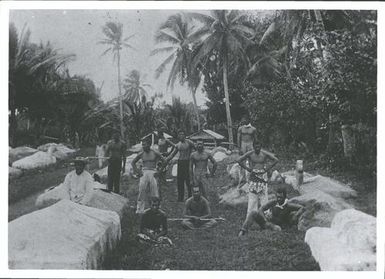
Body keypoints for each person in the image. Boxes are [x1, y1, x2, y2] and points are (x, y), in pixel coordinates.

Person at [238, 187, 304, 236]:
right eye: (277, 197)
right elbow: (261, 208)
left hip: (276, 226)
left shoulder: (288, 205)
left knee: (278, 229)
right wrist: (264, 218)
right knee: (253, 212)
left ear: (285, 197)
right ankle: (243, 230)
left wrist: (296, 215)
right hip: (266, 222)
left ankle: (266, 233)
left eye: (280, 197)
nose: (278, 199)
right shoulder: (274, 202)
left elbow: (302, 208)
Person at [237, 139, 279, 215]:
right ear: (253, 147)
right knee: (253, 198)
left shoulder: (264, 154)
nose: (257, 148)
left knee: (264, 196)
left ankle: (266, 215)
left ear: (260, 147)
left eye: (258, 147)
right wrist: (248, 169)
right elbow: (239, 160)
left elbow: (276, 160)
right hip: (253, 176)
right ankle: (251, 216)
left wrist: (266, 169)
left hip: (262, 176)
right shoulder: (250, 154)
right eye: (255, 146)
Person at [132, 138, 166, 214]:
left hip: (153, 171)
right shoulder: (141, 153)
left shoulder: (155, 152)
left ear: (149, 145)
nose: (143, 146)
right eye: (142, 145)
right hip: (144, 172)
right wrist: (138, 171)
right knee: (141, 189)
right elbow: (133, 162)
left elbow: (164, 161)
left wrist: (159, 171)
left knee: (154, 191)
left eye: (145, 144)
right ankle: (140, 209)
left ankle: (156, 207)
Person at [167, 130, 195, 201]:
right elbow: (172, 154)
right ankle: (180, 198)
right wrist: (166, 160)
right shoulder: (178, 145)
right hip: (180, 162)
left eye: (183, 134)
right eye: (180, 134)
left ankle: (190, 196)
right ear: (178, 136)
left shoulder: (189, 142)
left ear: (185, 136)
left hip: (187, 162)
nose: (181, 136)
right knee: (180, 181)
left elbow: (196, 149)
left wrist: (194, 158)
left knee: (188, 180)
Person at [156, 130, 176, 196]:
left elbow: (174, 146)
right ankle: (161, 181)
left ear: (161, 134)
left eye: (158, 134)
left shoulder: (166, 140)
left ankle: (164, 181)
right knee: (159, 167)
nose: (158, 135)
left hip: (164, 155)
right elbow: (159, 148)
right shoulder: (159, 140)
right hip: (159, 155)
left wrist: (169, 153)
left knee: (164, 167)